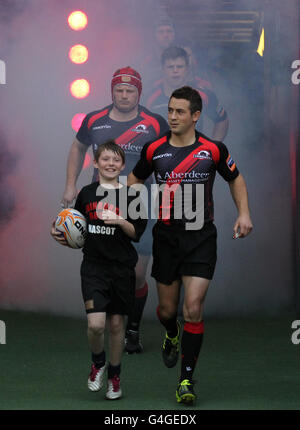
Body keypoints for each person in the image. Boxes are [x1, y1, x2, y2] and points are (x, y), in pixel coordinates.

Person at [128, 86, 253, 404]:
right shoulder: (154, 149)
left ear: (196, 116)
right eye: (170, 110)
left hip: (200, 238)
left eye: (180, 111)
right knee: (168, 310)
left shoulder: (213, 149)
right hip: (166, 239)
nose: (172, 116)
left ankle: (186, 380)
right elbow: (134, 181)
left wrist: (244, 214)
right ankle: (171, 332)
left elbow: (234, 178)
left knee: (193, 310)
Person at [61, 66, 169, 353]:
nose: (124, 95)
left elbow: (170, 158)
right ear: (112, 92)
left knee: (136, 273)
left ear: (139, 93)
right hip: (101, 201)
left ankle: (131, 329)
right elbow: (77, 148)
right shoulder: (94, 120)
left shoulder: (155, 123)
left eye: (129, 90)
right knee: (105, 264)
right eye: (119, 90)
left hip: (140, 202)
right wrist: (71, 185)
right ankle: (109, 325)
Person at [51, 141, 147, 399]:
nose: (111, 164)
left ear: (123, 165)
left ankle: (115, 378)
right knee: (96, 326)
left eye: (116, 160)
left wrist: (119, 219)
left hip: (122, 268)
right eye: (105, 159)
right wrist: (60, 232)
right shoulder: (87, 193)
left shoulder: (132, 195)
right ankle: (98, 363)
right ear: (95, 163)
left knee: (116, 326)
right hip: (94, 268)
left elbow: (137, 233)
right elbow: (75, 228)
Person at [145, 46, 229, 141]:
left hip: (192, 153)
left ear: (187, 68)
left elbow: (222, 119)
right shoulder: (151, 97)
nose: (175, 71)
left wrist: (214, 147)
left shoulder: (202, 95)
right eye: (170, 67)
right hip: (160, 153)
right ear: (162, 69)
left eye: (180, 67)